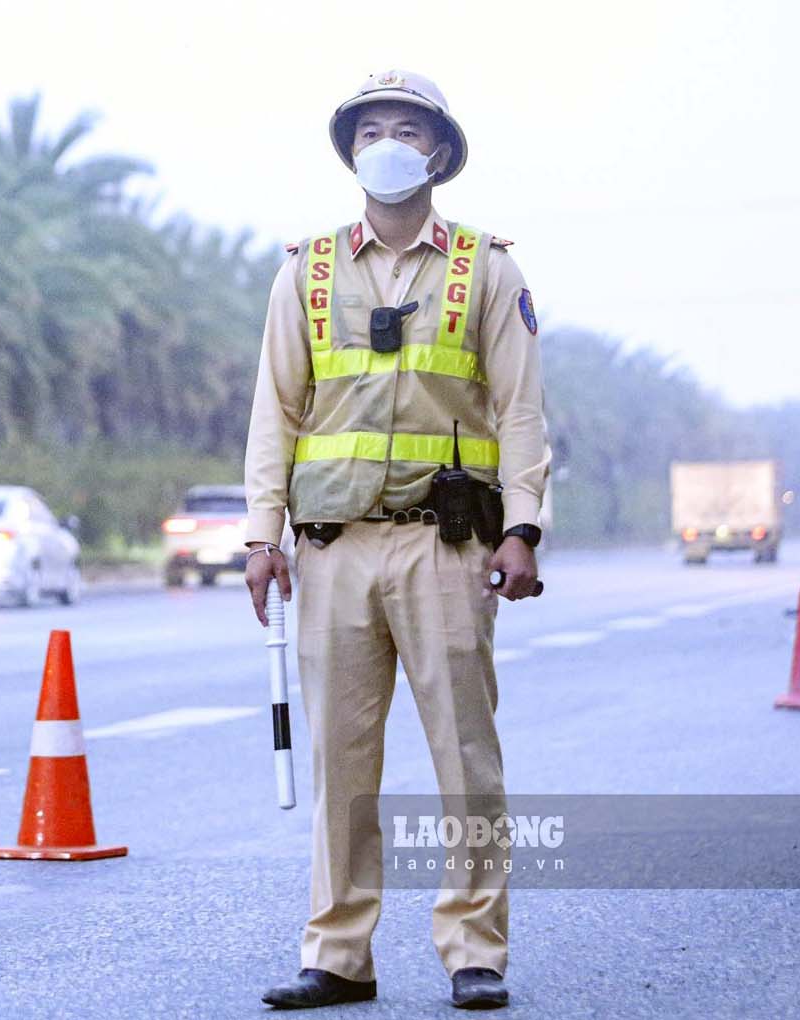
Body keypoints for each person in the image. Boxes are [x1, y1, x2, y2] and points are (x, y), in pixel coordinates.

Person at [243, 70, 550, 1011]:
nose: (387, 141)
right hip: (332, 548)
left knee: (466, 753)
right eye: (371, 128)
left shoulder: (485, 268)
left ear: (438, 153)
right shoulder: (308, 267)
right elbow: (275, 410)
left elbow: (522, 407)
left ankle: (475, 950)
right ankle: (338, 955)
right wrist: (263, 536)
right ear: (351, 151)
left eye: (406, 128)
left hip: (446, 545)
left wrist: (526, 526)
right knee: (342, 756)